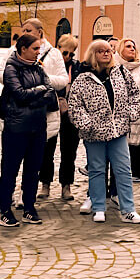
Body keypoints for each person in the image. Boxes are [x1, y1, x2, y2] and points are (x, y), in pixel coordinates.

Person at [67, 40, 140, 224]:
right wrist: (86, 124)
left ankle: (128, 210)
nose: (106, 54)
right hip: (94, 134)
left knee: (124, 170)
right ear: (93, 54)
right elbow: (75, 105)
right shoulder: (83, 77)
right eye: (101, 51)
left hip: (118, 130)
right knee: (96, 170)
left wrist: (131, 113)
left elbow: (135, 94)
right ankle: (99, 207)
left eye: (108, 51)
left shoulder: (120, 73)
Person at [0, 32, 54, 227]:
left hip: (37, 127)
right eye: (35, 48)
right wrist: (38, 91)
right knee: (10, 170)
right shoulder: (11, 68)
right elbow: (19, 94)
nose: (39, 52)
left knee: (33, 170)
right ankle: (5, 210)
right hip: (16, 128)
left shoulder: (38, 68)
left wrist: (36, 94)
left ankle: (29, 207)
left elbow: (51, 93)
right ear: (23, 49)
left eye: (39, 48)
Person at [22, 18, 69, 203]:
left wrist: (41, 78)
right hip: (25, 109)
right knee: (25, 153)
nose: (24, 33)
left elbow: (63, 79)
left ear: (39, 33)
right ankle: (25, 189)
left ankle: (45, 183)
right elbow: (3, 74)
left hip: (46, 109)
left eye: (28, 30)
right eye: (23, 30)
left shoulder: (54, 54)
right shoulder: (15, 51)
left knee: (47, 150)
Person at [55, 33, 86, 197]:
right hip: (52, 110)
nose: (68, 57)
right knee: (46, 150)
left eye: (71, 53)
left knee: (69, 151)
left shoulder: (76, 67)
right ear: (58, 48)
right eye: (65, 53)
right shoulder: (51, 65)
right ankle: (44, 183)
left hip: (71, 113)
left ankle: (66, 185)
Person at [118, 38, 140, 186]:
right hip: (118, 116)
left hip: (136, 115)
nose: (132, 49)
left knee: (136, 144)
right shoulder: (114, 67)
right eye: (128, 46)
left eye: (134, 46)